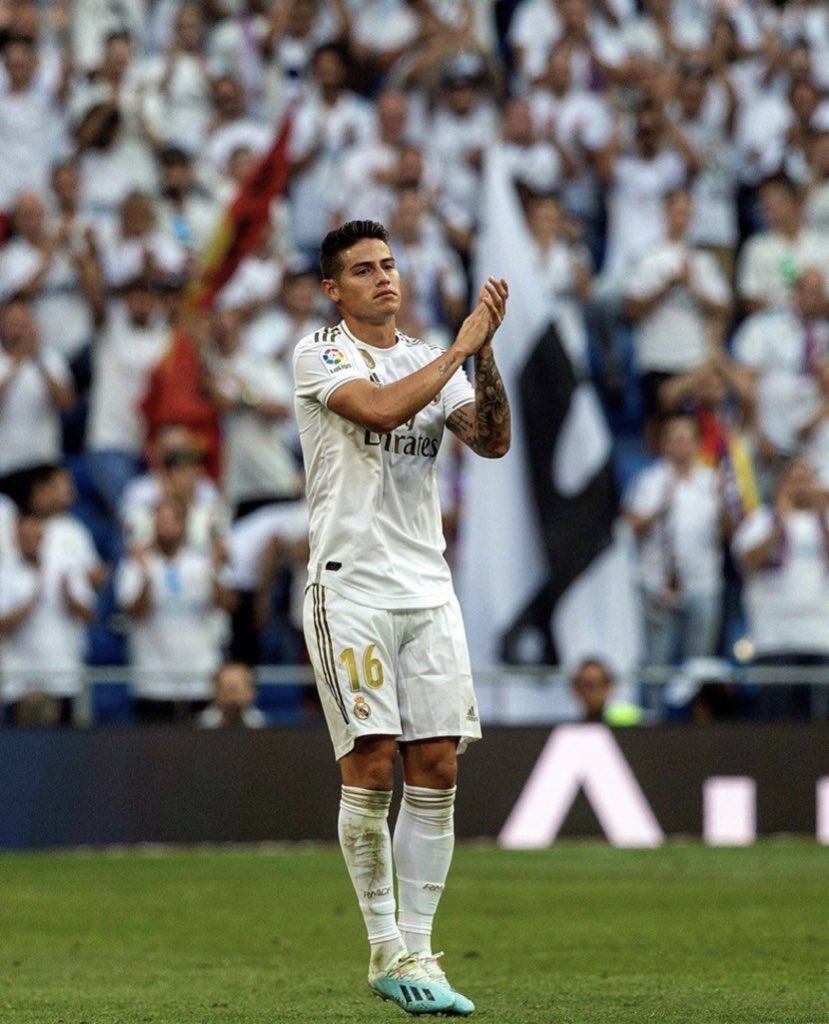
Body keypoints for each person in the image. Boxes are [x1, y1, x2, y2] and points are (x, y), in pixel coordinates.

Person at [293, 220, 509, 1016]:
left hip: (426, 587)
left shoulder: (430, 355)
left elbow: (489, 440)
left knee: (440, 766)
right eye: (363, 270)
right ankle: (384, 942)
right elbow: (380, 413)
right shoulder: (319, 353)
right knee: (373, 762)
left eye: (388, 265)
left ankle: (418, 950)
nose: (383, 278)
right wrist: (460, 348)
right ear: (333, 289)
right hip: (348, 588)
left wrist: (480, 354)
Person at [570, 658, 644, 725]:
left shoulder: (632, 720)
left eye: (598, 684)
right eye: (587, 685)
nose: (592, 692)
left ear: (610, 687)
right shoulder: (567, 725)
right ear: (576, 689)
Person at [196, 662, 268, 729]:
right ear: (215, 692)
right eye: (228, 689)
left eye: (236, 689)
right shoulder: (199, 726)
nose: (232, 696)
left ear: (251, 692)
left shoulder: (260, 725)